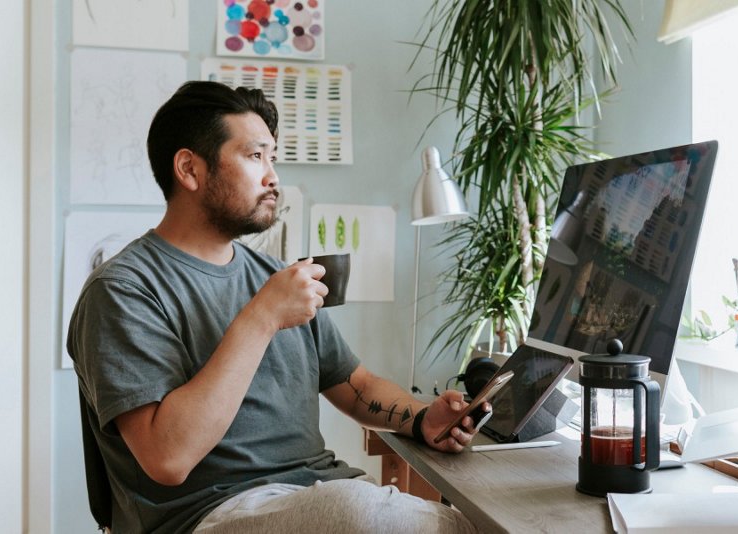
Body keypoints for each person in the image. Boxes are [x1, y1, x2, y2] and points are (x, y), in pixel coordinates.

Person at [67, 81, 482, 534]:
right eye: (254, 156)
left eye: (272, 157)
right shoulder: (122, 291)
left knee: (468, 515)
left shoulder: (273, 275)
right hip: (205, 517)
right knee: (365, 514)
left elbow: (354, 384)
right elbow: (168, 458)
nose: (272, 176)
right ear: (189, 169)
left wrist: (422, 418)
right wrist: (261, 317)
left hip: (316, 492)